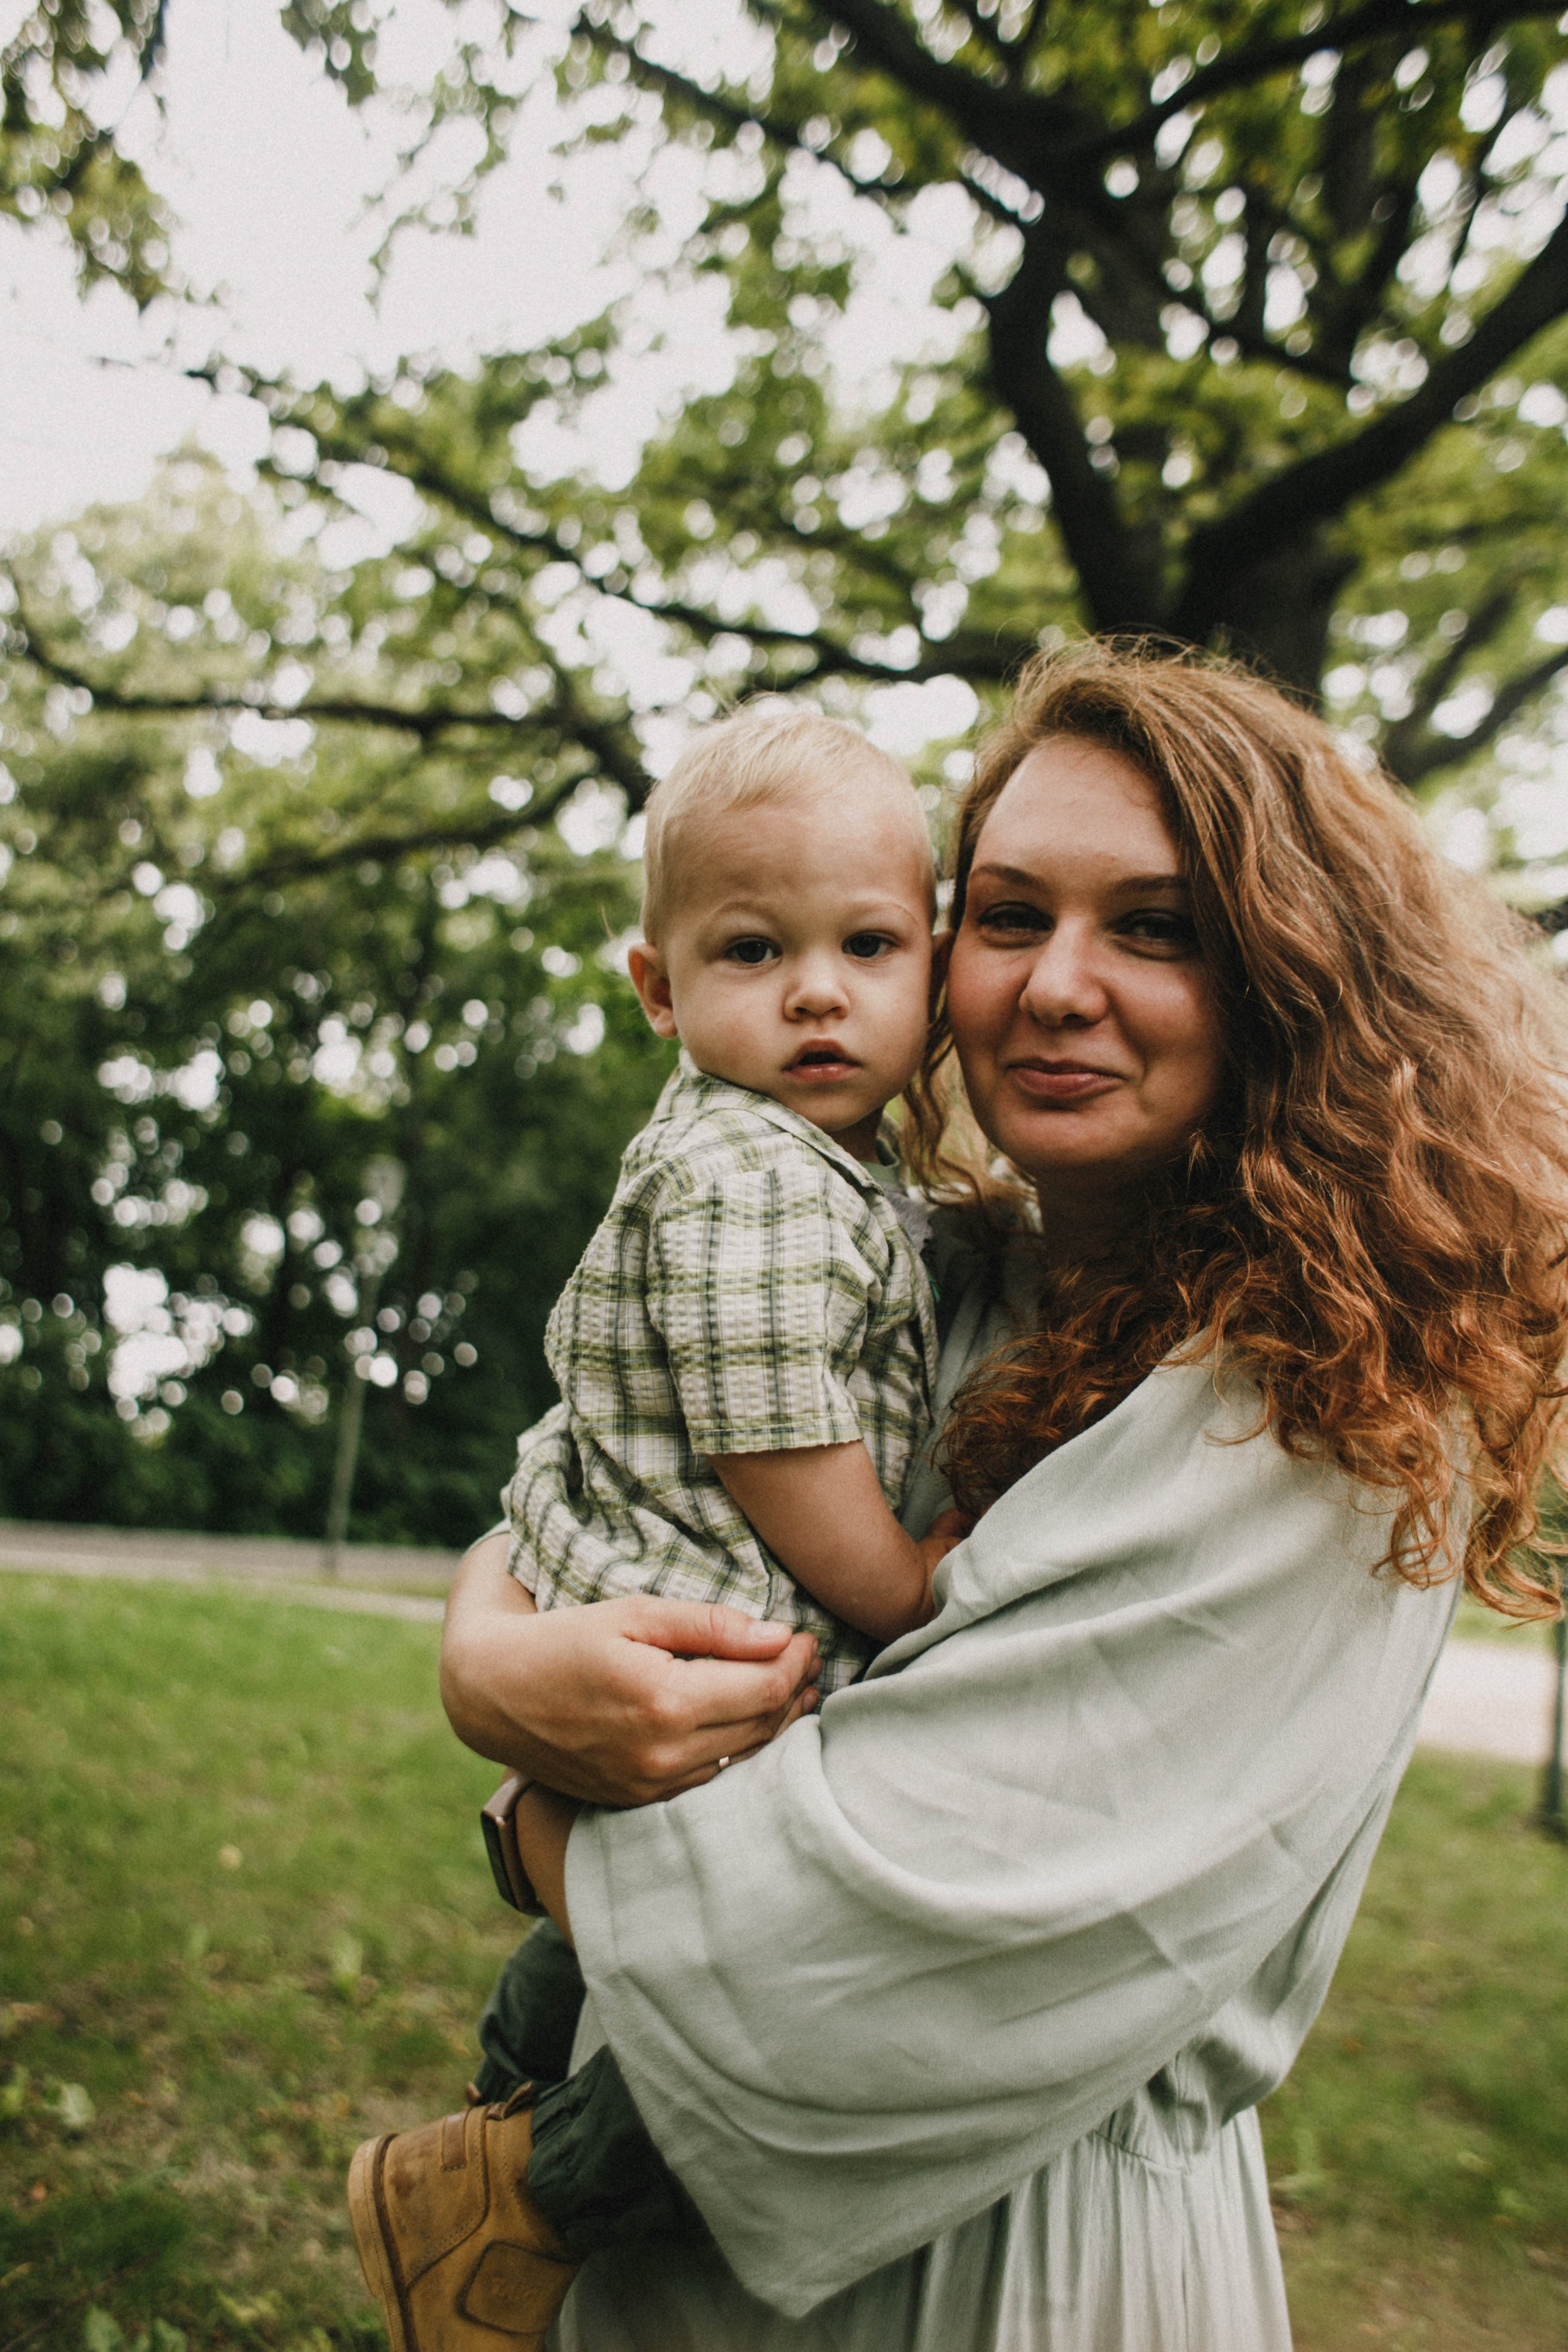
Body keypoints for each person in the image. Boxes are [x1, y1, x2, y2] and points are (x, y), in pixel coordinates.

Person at [361, 643, 1568, 2352]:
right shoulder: (943, 1270)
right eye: (1010, 915)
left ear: (1293, 981)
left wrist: (532, 1797)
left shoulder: (1321, 1415)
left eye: (1156, 927)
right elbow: (635, 1469)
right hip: (681, 2266)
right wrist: (486, 1651)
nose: (1059, 984)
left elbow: (862, 1956)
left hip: (1015, 2273)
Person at [350, 699, 971, 2345]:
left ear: (933, 959)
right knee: (752, 1994)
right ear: (659, 987)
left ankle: (500, 2111)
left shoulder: (820, 1160)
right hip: (711, 1637)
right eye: (756, 951)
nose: (819, 991)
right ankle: (514, 2177)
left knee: (652, 1968)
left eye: (867, 945)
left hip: (669, 1616)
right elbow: (778, 1440)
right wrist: (899, 1585)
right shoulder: (752, 1174)